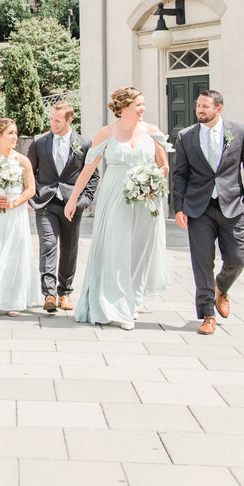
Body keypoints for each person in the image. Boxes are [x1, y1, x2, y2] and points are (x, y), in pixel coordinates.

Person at [65, 87, 172, 331]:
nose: (143, 108)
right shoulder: (107, 133)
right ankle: (118, 306)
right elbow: (89, 168)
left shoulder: (152, 132)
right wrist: (73, 199)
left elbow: (164, 167)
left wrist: (150, 180)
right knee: (116, 250)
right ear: (124, 108)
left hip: (146, 198)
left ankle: (133, 300)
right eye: (139, 105)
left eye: (144, 104)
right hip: (115, 197)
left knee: (139, 251)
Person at [172, 90, 244, 336]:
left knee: (238, 258)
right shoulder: (185, 136)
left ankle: (221, 287)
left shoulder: (239, 132)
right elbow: (180, 174)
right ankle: (207, 315)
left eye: (204, 106)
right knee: (202, 263)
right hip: (198, 208)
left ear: (218, 108)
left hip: (233, 207)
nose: (199, 110)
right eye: (198, 105)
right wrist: (179, 207)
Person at [27, 102, 99, 312]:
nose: (53, 123)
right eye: (51, 119)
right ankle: (48, 294)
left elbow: (93, 176)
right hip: (46, 202)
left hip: (71, 204)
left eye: (57, 120)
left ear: (69, 120)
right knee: (48, 245)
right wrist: (32, 198)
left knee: (69, 248)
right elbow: (29, 172)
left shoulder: (84, 144)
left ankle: (64, 292)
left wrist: (83, 201)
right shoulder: (39, 142)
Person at [0, 118, 39, 320]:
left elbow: (30, 189)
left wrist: (16, 201)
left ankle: (13, 301)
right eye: (11, 133)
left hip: (16, 212)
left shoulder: (22, 161)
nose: (15, 137)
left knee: (14, 255)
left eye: (15, 132)